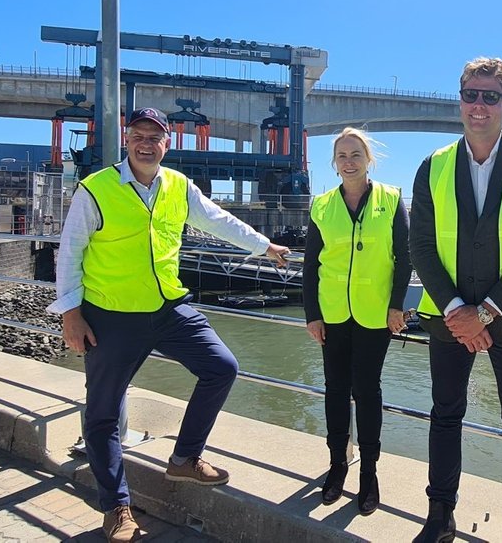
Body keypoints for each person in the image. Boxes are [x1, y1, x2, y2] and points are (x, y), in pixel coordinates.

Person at [47, 108, 291, 542]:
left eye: (155, 138)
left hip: (167, 307)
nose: (146, 143)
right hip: (111, 313)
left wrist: (263, 244)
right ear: (127, 140)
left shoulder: (177, 185)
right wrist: (71, 314)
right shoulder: (96, 188)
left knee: (222, 367)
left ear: (166, 144)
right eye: (138, 135)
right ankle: (117, 509)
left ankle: (184, 458)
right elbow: (70, 252)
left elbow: (215, 219)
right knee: (102, 414)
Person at [409, 58, 502, 543]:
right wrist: (456, 311)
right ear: (460, 100)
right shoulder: (432, 166)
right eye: (471, 94)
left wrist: (486, 312)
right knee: (445, 415)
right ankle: (440, 515)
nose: (479, 105)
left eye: (490, 97)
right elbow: (421, 247)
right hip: (448, 319)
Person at [302, 127, 411, 515]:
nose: (349, 162)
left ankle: (369, 472)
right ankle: (336, 466)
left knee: (367, 390)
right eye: (342, 156)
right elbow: (310, 265)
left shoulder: (391, 198)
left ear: (369, 160)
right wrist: (312, 314)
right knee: (335, 389)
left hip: (374, 313)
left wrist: (396, 306)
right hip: (333, 314)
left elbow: (404, 257)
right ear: (334, 163)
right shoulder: (322, 205)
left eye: (356, 155)